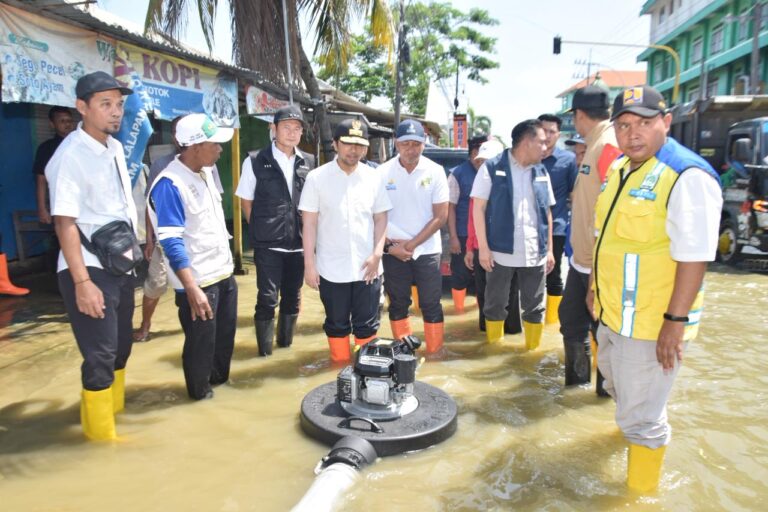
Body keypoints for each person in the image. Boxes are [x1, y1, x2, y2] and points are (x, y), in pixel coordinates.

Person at [589, 85, 722, 493]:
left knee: (643, 420)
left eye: (645, 123)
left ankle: (639, 496)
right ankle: (630, 435)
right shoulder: (621, 169)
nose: (633, 134)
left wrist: (674, 323)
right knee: (617, 388)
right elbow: (607, 236)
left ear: (665, 122)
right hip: (614, 316)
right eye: (625, 125)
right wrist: (595, 288)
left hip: (651, 324)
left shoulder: (686, 175)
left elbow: (695, 256)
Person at [45, 71, 135, 440]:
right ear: (82, 108)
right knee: (99, 357)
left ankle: (112, 420)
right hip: (86, 267)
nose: (115, 113)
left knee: (120, 351)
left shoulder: (113, 147)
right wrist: (82, 283)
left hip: (119, 262)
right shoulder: (69, 156)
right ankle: (102, 442)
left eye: (118, 105)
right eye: (105, 104)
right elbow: (64, 223)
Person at [149, 113, 237, 401]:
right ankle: (199, 400)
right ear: (196, 146)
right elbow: (171, 241)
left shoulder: (206, 173)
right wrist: (191, 288)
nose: (220, 149)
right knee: (200, 351)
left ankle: (220, 396)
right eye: (215, 144)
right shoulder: (170, 184)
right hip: (199, 285)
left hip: (223, 275)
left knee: (223, 346)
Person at [299, 119, 390, 362]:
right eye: (348, 143)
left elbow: (381, 218)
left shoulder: (373, 177)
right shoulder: (317, 178)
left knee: (368, 326)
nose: (354, 150)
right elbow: (309, 223)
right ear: (336, 144)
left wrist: (377, 253)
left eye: (360, 145)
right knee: (336, 324)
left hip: (368, 267)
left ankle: (365, 375)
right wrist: (310, 264)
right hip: (331, 268)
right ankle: (338, 373)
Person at [133, 117, 224, 342]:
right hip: (170, 246)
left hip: (207, 260)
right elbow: (151, 207)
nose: (219, 149)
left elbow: (214, 208)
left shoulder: (209, 168)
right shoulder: (164, 171)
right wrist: (151, 239)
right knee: (156, 283)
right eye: (214, 143)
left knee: (210, 333)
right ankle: (145, 326)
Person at [236, 105, 316, 357]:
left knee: (293, 297)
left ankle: (285, 346)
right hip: (268, 245)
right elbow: (245, 200)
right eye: (286, 127)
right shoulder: (255, 160)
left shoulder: (309, 162)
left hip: (299, 243)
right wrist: (260, 227)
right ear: (273, 129)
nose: (292, 133)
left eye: (297, 128)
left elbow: (314, 203)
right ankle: (265, 353)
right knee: (267, 298)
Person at [471, 119, 555, 349]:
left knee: (535, 306)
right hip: (500, 252)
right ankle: (494, 352)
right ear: (527, 142)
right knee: (495, 304)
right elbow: (478, 208)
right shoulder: (492, 167)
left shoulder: (541, 170)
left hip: (534, 252)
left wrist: (549, 250)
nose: (545, 148)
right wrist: (484, 249)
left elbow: (546, 211)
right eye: (541, 142)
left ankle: (531, 354)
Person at [558, 85, 621, 389]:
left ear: (580, 115)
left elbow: (612, 216)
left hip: (601, 267)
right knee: (571, 320)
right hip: (581, 262)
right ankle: (577, 388)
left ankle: (604, 396)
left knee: (604, 333)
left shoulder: (607, 146)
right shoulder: (593, 145)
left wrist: (597, 280)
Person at [379, 120, 449, 354]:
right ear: (396, 144)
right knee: (398, 303)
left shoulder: (435, 171)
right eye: (406, 143)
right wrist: (391, 247)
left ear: (424, 144)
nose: (411, 149)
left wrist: (410, 244)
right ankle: (403, 354)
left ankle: (435, 353)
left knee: (431, 304)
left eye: (416, 144)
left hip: (427, 249)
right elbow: (375, 215)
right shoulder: (382, 172)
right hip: (393, 249)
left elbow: (440, 217)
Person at [464, 139, 522, 334]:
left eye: (487, 161)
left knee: (511, 292)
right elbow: (473, 221)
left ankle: (512, 330)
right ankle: (487, 333)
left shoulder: (512, 183)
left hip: (506, 247)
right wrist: (471, 248)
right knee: (484, 293)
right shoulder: (479, 185)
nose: (483, 166)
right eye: (480, 162)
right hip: (482, 248)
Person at [538, 114, 578, 325]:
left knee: (553, 278)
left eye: (552, 131)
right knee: (531, 277)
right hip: (529, 229)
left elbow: (575, 193)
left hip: (557, 229)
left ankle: (552, 323)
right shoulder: (528, 156)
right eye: (543, 130)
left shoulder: (568, 160)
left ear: (558, 134)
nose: (547, 135)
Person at [447, 134, 487, 314]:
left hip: (488, 236)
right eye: (475, 153)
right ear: (470, 154)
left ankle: (482, 313)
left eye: (483, 153)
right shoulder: (457, 174)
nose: (479, 158)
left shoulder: (495, 171)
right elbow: (450, 208)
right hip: (464, 233)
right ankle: (459, 312)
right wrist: (454, 237)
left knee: (483, 277)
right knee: (460, 275)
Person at [34, 106, 75, 225]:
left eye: (69, 121)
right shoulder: (46, 148)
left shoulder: (81, 145)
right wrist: (42, 209)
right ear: (52, 124)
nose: (67, 124)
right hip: (60, 205)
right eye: (62, 121)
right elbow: (41, 180)